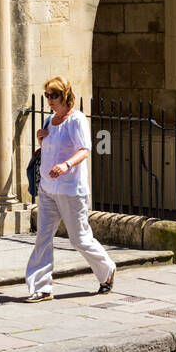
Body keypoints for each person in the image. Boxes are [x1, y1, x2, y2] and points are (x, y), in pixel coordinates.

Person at [25, 76, 116, 301]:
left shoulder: (76, 120)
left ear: (65, 95)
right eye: (47, 95)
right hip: (47, 189)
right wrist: (41, 139)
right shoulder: (49, 120)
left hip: (70, 189)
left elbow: (84, 149)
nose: (49, 100)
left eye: (53, 95)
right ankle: (42, 287)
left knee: (79, 239)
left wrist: (66, 165)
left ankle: (106, 270)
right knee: (43, 238)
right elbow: (50, 148)